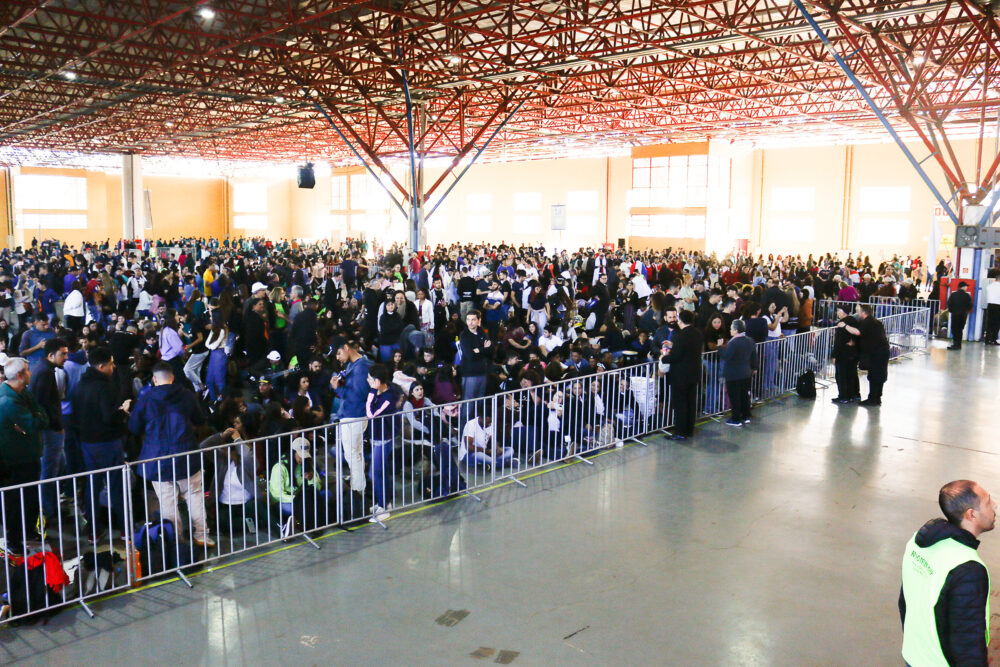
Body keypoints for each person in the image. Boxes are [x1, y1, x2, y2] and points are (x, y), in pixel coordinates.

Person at [900, 480, 995, 667]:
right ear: (971, 514)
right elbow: (967, 639)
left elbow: (905, 601)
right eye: (988, 502)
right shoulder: (968, 568)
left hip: (913, 654)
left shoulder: (918, 542)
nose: (995, 506)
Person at [128, 362, 214, 547]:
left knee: (167, 502)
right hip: (187, 455)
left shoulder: (146, 398)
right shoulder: (187, 395)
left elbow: (134, 427)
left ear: (154, 379)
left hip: (157, 459)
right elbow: (200, 420)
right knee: (195, 495)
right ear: (172, 377)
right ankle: (202, 535)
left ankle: (176, 541)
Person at [70, 346, 132, 532]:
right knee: (117, 486)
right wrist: (123, 410)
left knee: (92, 485)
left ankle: (93, 530)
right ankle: (125, 530)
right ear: (101, 366)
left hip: (87, 442)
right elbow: (109, 417)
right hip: (108, 442)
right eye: (111, 364)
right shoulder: (106, 388)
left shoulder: (80, 385)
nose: (113, 367)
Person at [0, 357, 48, 553]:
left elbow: (42, 416)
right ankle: (14, 540)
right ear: (20, 375)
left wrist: (35, 416)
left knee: (30, 498)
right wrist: (35, 417)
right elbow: (36, 423)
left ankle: (28, 531)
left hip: (28, 456)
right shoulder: (8, 401)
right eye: (28, 370)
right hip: (15, 461)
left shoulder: (23, 393)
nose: (31, 373)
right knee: (15, 502)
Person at [28, 337, 69, 526]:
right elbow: (43, 405)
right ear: (51, 355)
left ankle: (50, 508)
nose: (66, 357)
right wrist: (56, 426)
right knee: (49, 472)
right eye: (63, 354)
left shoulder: (43, 369)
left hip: (50, 429)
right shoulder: (45, 373)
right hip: (50, 431)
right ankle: (48, 511)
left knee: (55, 468)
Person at [330, 339, 372, 502]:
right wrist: (339, 386)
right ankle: (359, 488)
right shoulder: (352, 365)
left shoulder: (361, 366)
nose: (338, 358)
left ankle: (358, 491)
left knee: (353, 454)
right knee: (354, 454)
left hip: (355, 416)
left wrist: (339, 389)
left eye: (339, 353)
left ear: (346, 348)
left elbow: (358, 396)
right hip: (349, 415)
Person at [661, 309, 703, 440]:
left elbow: (676, 356)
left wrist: (664, 358)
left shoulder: (680, 335)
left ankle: (680, 432)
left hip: (680, 376)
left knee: (680, 404)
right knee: (690, 403)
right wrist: (674, 345)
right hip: (694, 373)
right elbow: (688, 349)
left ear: (681, 321)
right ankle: (689, 429)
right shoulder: (697, 333)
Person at [365, 363, 397, 522]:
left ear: (377, 381)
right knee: (380, 472)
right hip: (377, 438)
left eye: (370, 379)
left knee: (376, 473)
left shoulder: (388, 398)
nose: (368, 381)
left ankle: (383, 507)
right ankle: (385, 502)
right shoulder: (382, 393)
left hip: (383, 440)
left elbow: (370, 413)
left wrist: (372, 391)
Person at [841, 304, 889, 406]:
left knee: (874, 376)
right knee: (879, 375)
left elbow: (858, 332)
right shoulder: (876, 322)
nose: (858, 314)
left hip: (876, 353)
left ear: (863, 313)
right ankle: (877, 398)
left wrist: (845, 326)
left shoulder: (867, 322)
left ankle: (872, 399)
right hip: (883, 352)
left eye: (859, 312)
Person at [719, 319, 755, 426]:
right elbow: (753, 356)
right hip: (746, 372)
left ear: (736, 330)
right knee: (744, 395)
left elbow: (726, 356)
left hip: (733, 374)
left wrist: (719, 347)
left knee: (735, 397)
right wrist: (754, 368)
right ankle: (746, 415)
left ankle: (736, 419)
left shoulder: (734, 342)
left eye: (731, 328)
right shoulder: (750, 340)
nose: (730, 330)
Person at [830, 306, 861, 404]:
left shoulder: (841, 324)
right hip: (853, 353)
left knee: (841, 376)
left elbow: (838, 342)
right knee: (852, 374)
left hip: (843, 353)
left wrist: (834, 355)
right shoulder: (855, 321)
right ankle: (854, 394)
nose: (837, 312)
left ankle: (843, 396)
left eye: (839, 310)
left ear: (844, 312)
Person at [946, 281, 973, 350]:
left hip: (955, 315)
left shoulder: (953, 295)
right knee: (960, 329)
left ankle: (955, 344)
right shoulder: (967, 296)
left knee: (954, 329)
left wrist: (952, 311)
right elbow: (970, 305)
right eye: (966, 286)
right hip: (963, 315)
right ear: (963, 287)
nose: (966, 288)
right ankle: (958, 344)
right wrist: (965, 311)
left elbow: (949, 304)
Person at [985, 270, 1000, 346]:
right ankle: (993, 340)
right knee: (997, 324)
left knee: (989, 323)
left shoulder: (989, 286)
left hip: (990, 305)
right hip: (998, 306)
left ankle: (987, 339)